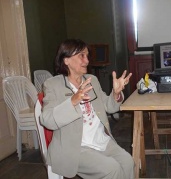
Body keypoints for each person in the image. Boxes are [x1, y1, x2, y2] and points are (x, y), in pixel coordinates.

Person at [40, 39, 134, 179]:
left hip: (100, 140)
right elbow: (47, 120)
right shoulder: (53, 84)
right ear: (66, 60)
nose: (87, 60)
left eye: (87, 55)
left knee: (128, 162)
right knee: (112, 169)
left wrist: (115, 94)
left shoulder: (91, 80)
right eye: (81, 56)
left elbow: (109, 107)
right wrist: (73, 101)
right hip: (75, 148)